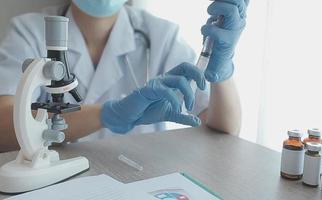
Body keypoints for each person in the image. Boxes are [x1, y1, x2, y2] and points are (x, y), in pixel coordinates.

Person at [0, 0, 247, 152]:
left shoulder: (162, 35)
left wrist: (221, 70)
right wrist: (110, 113)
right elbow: (2, 126)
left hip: (139, 178)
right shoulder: (29, 31)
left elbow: (225, 128)